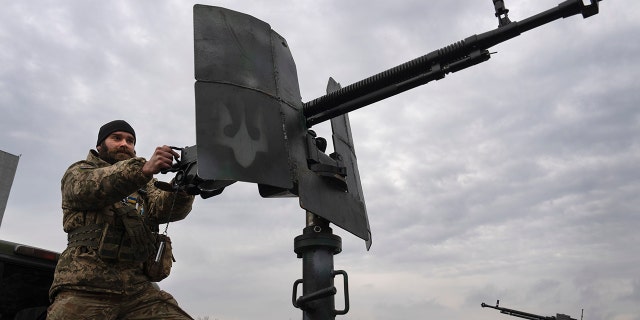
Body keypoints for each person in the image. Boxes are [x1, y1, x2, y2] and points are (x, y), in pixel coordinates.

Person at [47, 120, 195, 319]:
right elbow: (88, 189)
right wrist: (143, 169)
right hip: (85, 287)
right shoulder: (80, 171)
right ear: (100, 145)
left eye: (130, 140)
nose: (124, 144)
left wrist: (184, 185)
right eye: (116, 138)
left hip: (137, 290)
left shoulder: (144, 184)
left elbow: (164, 210)